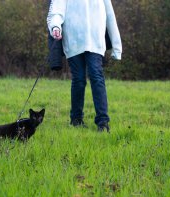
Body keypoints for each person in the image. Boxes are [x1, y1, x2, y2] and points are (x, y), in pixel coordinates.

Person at [47, 0, 122, 132]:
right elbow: (56, 12)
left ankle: (103, 122)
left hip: (95, 40)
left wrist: (117, 46)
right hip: (73, 41)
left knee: (96, 76)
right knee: (79, 79)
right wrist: (56, 27)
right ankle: (76, 119)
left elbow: (110, 15)